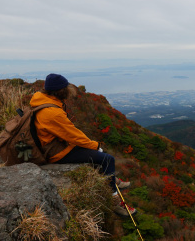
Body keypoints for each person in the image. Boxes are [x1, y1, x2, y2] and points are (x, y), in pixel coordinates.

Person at [30, 73, 136, 217]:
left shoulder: (41, 101)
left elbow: (69, 133)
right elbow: (73, 135)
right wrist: (95, 145)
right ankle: (114, 201)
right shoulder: (52, 112)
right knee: (107, 159)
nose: (68, 89)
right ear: (60, 90)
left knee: (97, 155)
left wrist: (91, 146)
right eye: (65, 87)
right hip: (55, 152)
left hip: (53, 144)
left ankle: (111, 179)